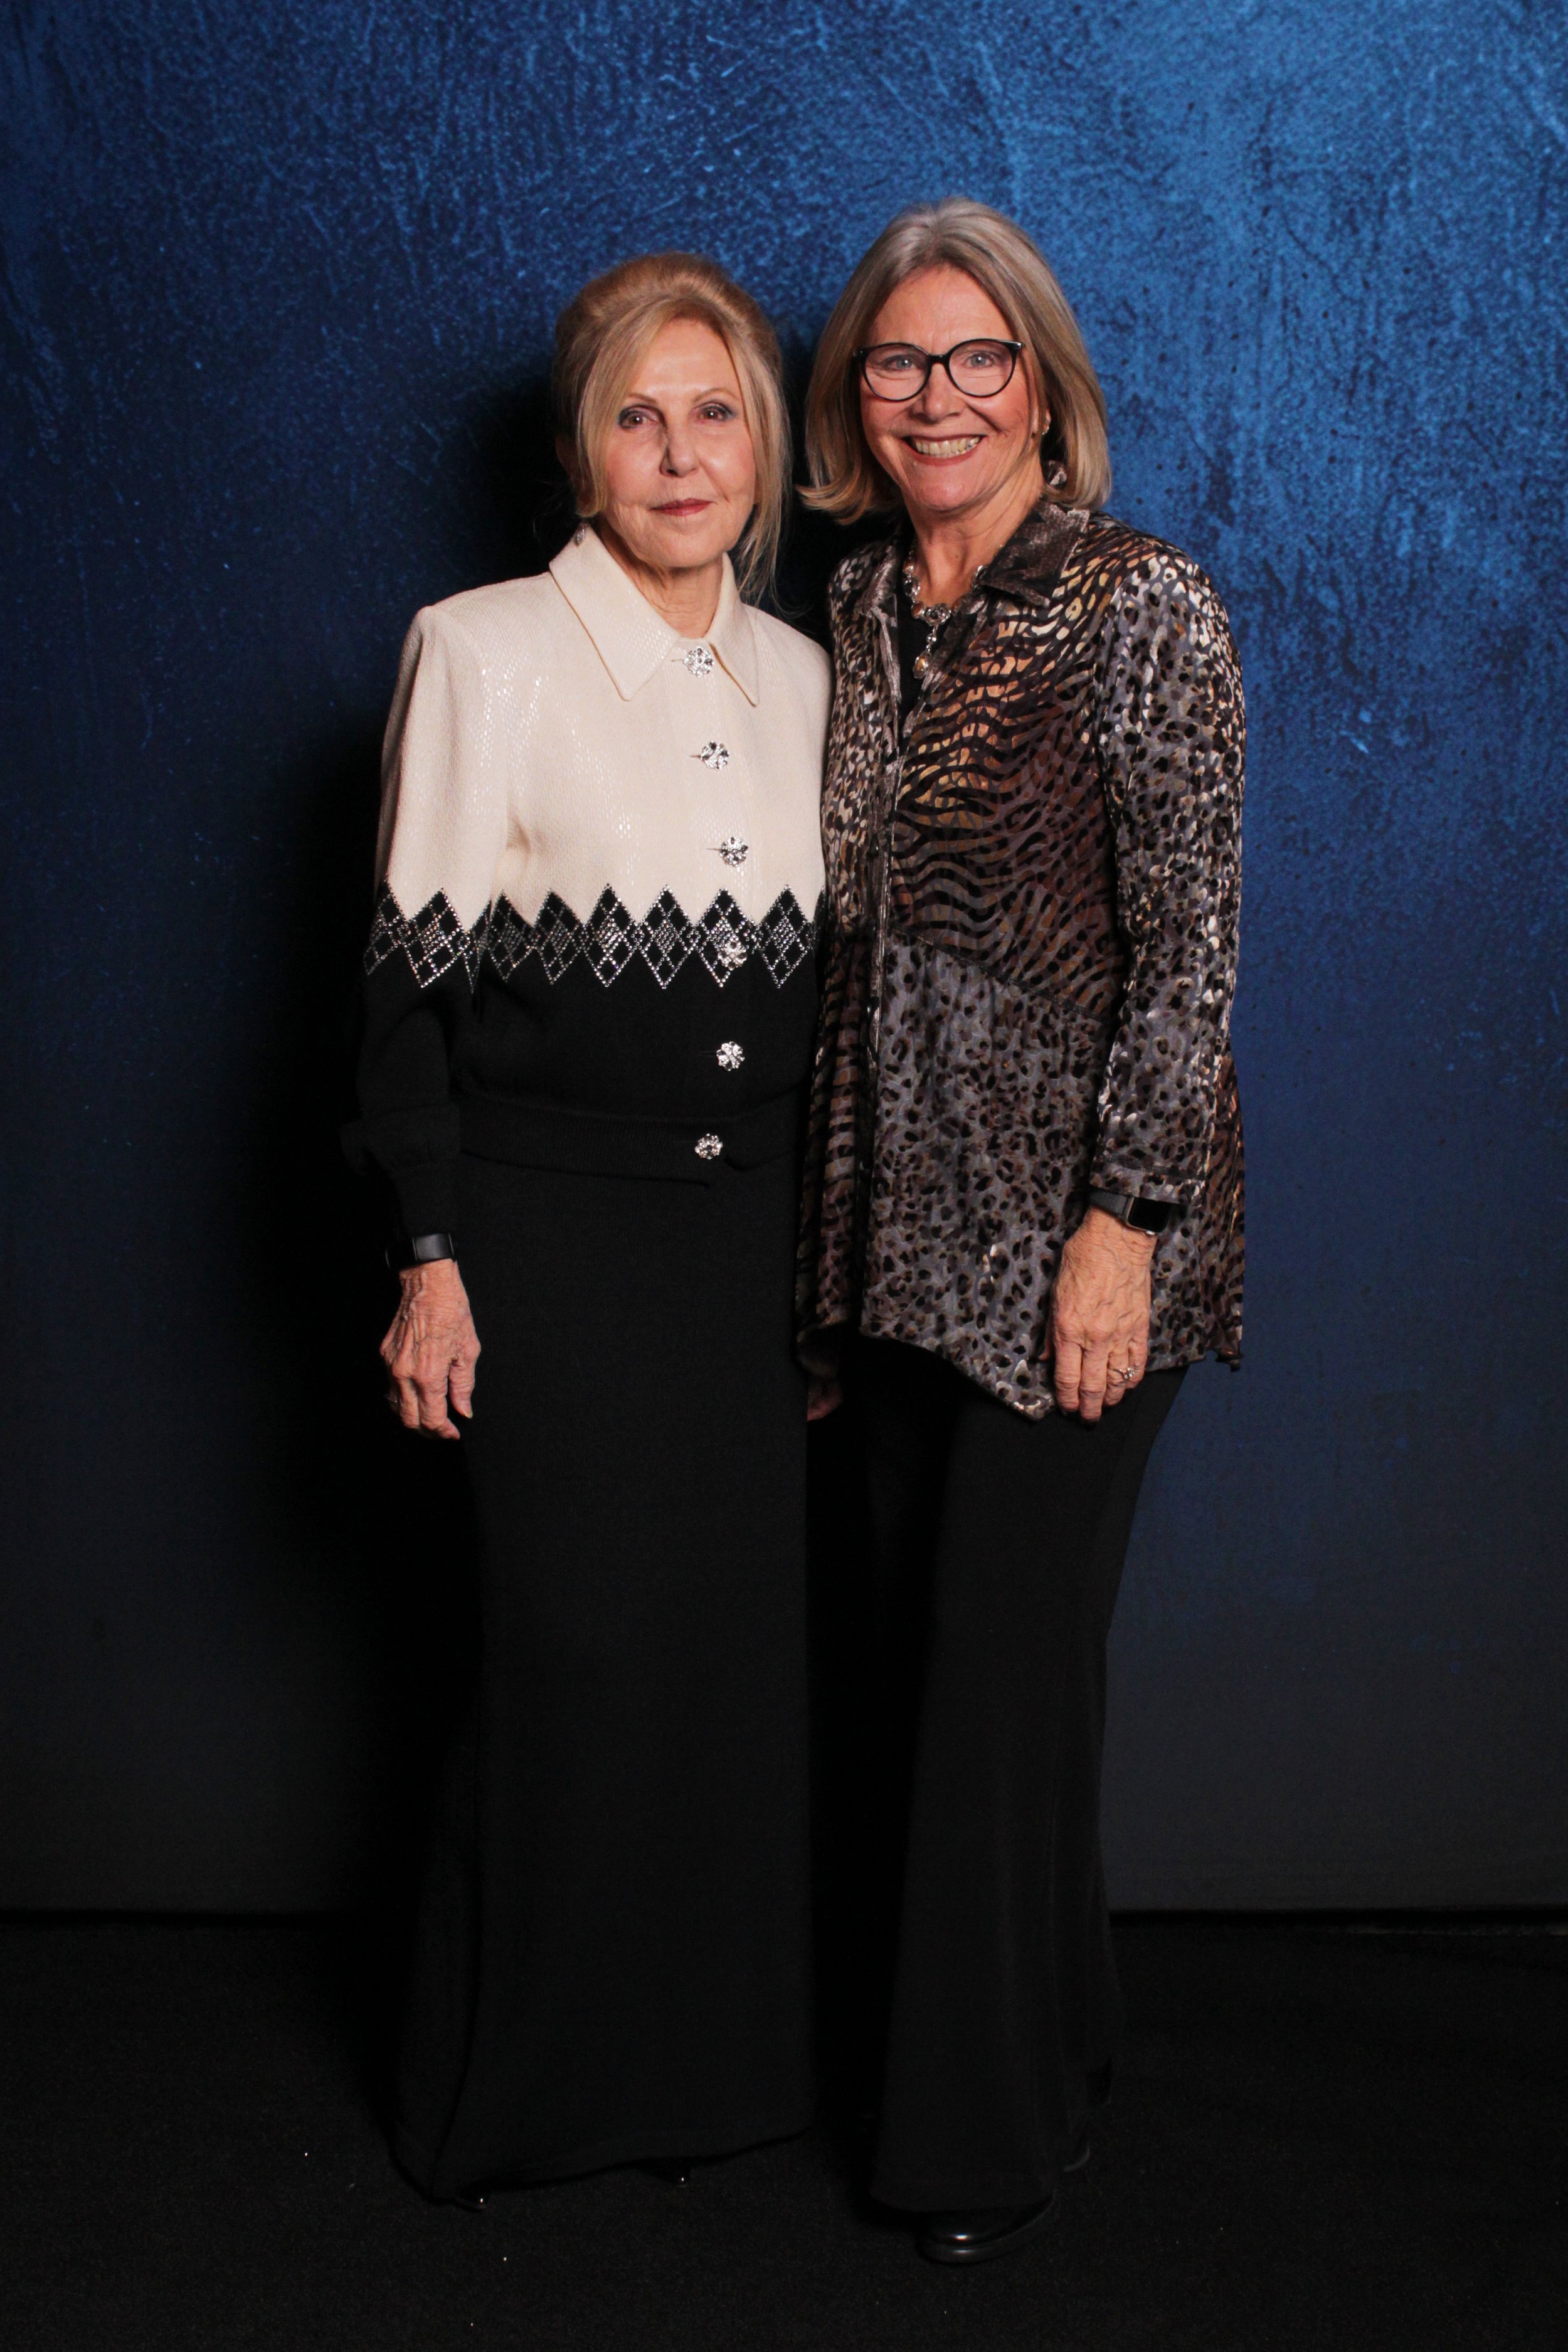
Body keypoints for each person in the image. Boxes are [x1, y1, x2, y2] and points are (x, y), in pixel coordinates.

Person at [349, 252, 829, 2203]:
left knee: (732, 1685)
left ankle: (720, 2088)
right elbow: (401, 1000)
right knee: (568, 1675)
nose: (680, 451)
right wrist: (428, 1257)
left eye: (715, 410)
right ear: (580, 445)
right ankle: (522, 2107)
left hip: (751, 1266)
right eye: (638, 414)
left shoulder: (804, 673)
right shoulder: (478, 653)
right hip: (544, 1254)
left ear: (765, 442)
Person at [797, 199, 1245, 2264]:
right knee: (932, 1672)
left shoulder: (1142, 607)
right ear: (854, 400)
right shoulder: (857, 608)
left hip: (1073, 1237)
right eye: (899, 363)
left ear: (1045, 393)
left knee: (995, 1671)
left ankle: (964, 2150)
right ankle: (1051, 2040)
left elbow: (1189, 953)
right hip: (886, 1230)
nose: (937, 397)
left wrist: (1121, 1222)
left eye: (980, 360)